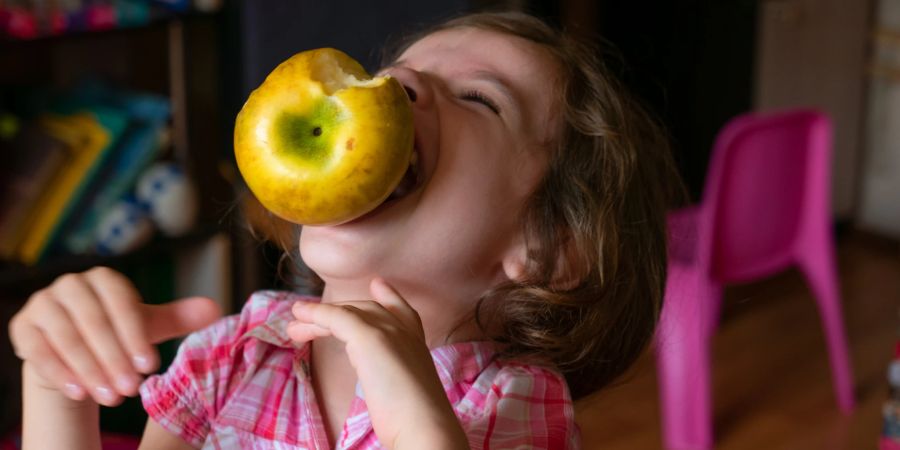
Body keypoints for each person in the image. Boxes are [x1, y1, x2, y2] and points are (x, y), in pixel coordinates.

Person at [8, 11, 682, 450]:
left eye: (480, 97)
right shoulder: (229, 359)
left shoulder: (515, 401)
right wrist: (58, 381)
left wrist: (405, 398)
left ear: (547, 247)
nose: (399, 83)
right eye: (387, 76)